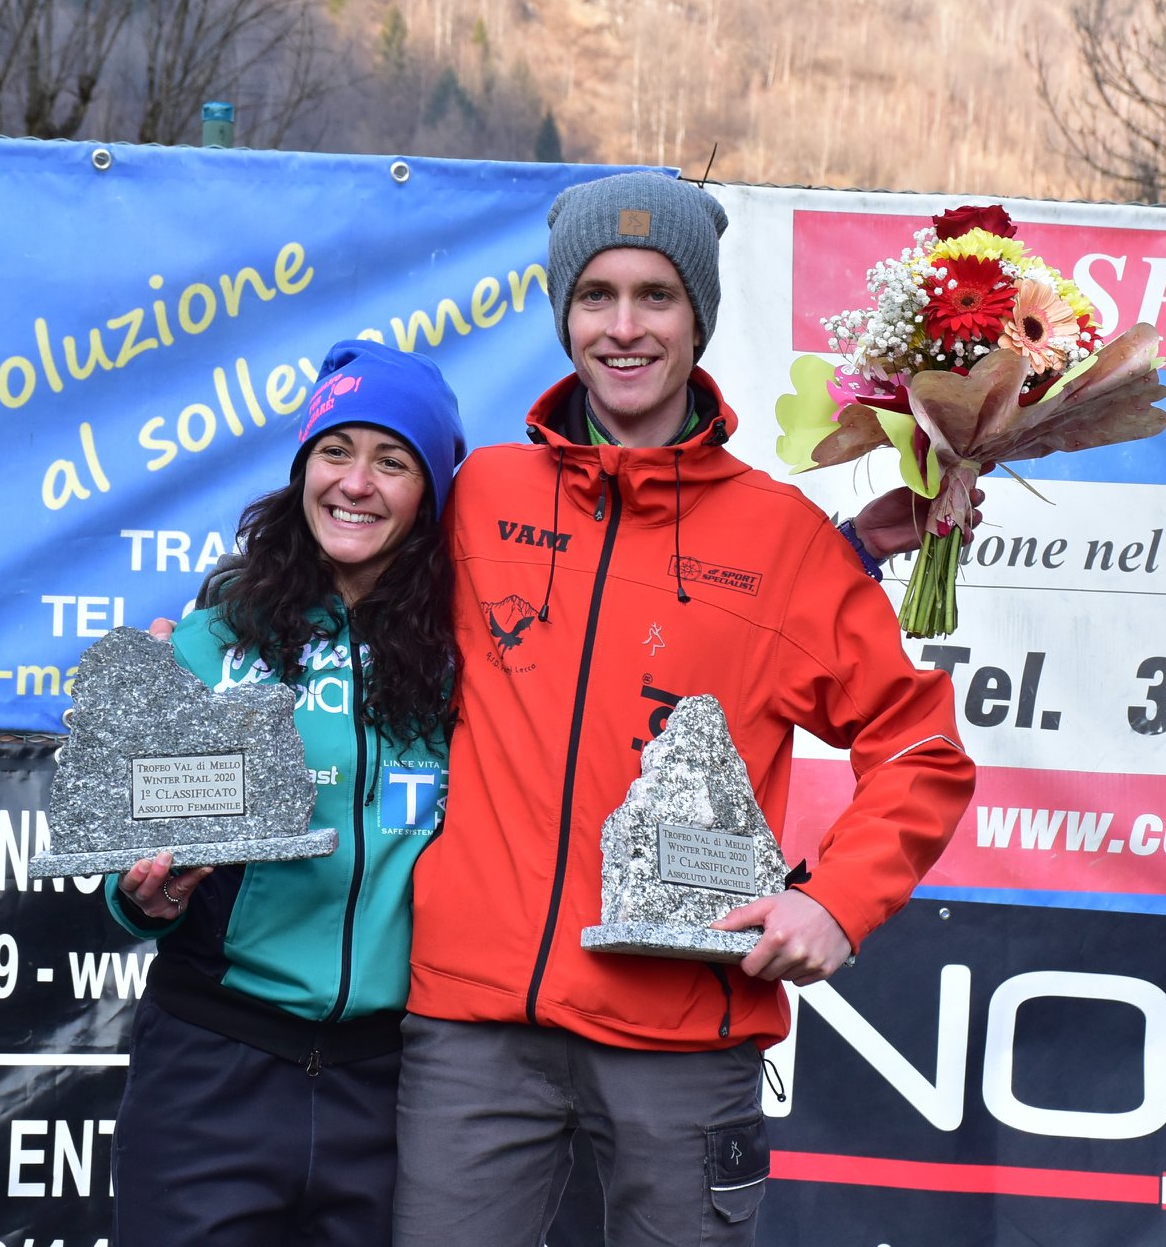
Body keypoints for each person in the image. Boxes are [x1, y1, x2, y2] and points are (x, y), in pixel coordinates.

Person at [393, 171, 977, 1245]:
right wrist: (211, 642)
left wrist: (835, 902)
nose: (623, 327)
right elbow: (341, 599)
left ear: (696, 317)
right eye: (596, 295)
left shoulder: (782, 541)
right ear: (562, 313)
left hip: (680, 1037)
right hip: (473, 1029)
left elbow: (919, 749)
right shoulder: (480, 499)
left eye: (655, 296)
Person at [103, 339, 466, 1247]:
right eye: (335, 452)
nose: (356, 483)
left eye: (394, 461)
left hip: (390, 1085)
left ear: (430, 496)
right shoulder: (213, 639)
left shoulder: (472, 657)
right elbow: (133, 854)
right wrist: (140, 894)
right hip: (213, 1069)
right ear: (302, 468)